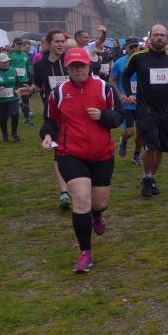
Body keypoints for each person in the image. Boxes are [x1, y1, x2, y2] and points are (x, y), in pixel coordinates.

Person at [40, 47, 124, 273]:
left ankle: (97, 214)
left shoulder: (104, 88)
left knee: (98, 203)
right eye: (74, 66)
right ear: (67, 68)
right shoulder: (57, 93)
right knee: (81, 201)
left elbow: (119, 116)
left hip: (101, 154)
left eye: (82, 65)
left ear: (89, 66)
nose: (78, 70)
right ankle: (85, 252)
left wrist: (103, 115)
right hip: (70, 154)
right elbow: (50, 121)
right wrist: (47, 136)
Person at [122, 24, 168, 197]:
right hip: (145, 110)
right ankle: (147, 177)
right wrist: (129, 94)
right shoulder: (138, 57)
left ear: (167, 38)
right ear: (150, 38)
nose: (159, 38)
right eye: (155, 35)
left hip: (165, 110)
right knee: (152, 144)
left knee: (161, 148)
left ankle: (152, 177)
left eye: (162, 35)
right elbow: (125, 76)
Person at [29, 29, 72, 208]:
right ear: (48, 43)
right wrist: (30, 89)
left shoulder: (70, 61)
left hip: (74, 112)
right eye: (57, 42)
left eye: (62, 41)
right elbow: (38, 85)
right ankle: (64, 193)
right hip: (53, 113)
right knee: (59, 152)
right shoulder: (41, 65)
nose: (61, 45)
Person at [110, 37, 144, 165]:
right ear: (126, 48)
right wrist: (120, 95)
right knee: (130, 131)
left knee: (141, 132)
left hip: (141, 102)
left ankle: (136, 155)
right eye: (131, 47)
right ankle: (124, 140)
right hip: (126, 103)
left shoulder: (144, 60)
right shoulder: (120, 62)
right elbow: (112, 79)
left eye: (136, 46)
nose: (135, 49)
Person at [0, 53, 24, 142]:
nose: (6, 63)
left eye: (7, 61)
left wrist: (17, 89)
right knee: (3, 117)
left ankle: (14, 133)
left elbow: (17, 82)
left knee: (15, 114)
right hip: (0, 100)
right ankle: (5, 135)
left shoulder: (13, 70)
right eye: (4, 62)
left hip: (13, 97)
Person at [9, 39, 34, 126]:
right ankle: (10, 114)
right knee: (13, 98)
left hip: (24, 80)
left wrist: (30, 71)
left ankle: (27, 118)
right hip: (14, 81)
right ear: (14, 44)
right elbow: (8, 66)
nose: (20, 45)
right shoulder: (11, 55)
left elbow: (28, 65)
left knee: (25, 98)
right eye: (18, 44)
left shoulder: (25, 55)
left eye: (21, 44)